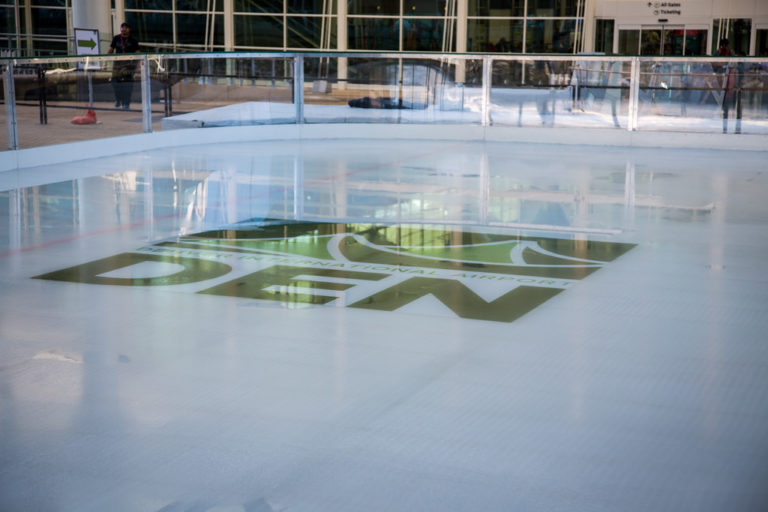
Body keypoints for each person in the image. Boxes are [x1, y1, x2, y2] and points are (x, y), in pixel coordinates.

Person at [107, 23, 140, 110]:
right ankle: (118, 99)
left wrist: (138, 66)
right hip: (117, 65)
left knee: (128, 85)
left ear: (129, 29)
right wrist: (105, 61)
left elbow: (138, 53)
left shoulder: (133, 40)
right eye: (122, 27)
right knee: (115, 82)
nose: (124, 29)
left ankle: (126, 103)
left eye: (126, 28)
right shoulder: (116, 38)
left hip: (129, 66)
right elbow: (111, 49)